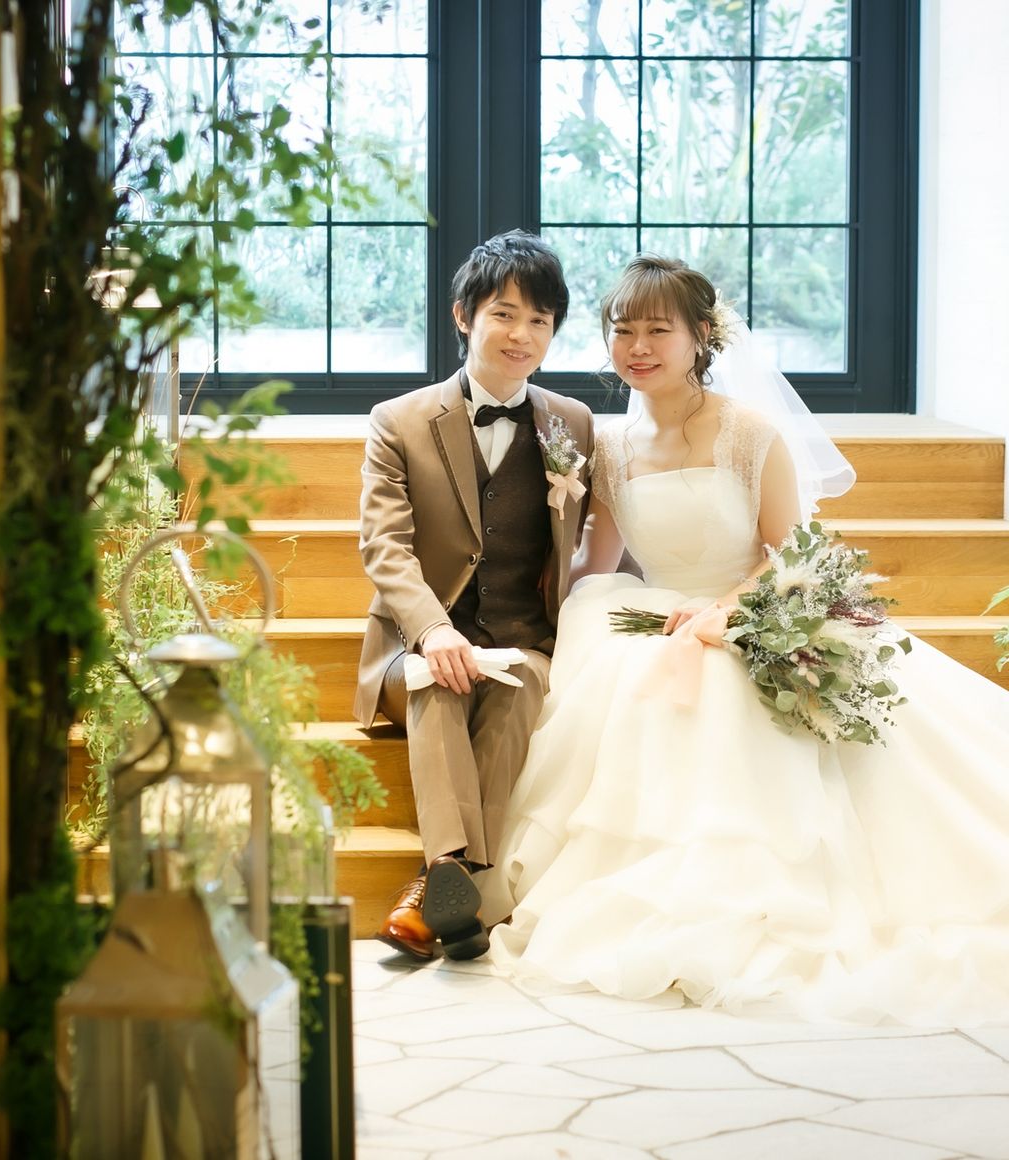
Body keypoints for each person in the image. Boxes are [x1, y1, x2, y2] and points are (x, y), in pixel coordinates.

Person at [480, 254, 1009, 1026]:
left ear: (701, 336)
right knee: (617, 664)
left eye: (658, 330)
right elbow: (598, 562)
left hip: (753, 604)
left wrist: (727, 612)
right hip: (659, 611)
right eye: (622, 330)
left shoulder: (748, 434)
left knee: (729, 690)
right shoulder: (611, 446)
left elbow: (790, 553)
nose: (637, 347)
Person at [356, 230, 595, 961]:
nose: (521, 335)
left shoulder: (573, 424)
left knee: (520, 687)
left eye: (539, 320)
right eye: (504, 314)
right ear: (464, 316)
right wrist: (433, 631)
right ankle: (458, 878)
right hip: (414, 643)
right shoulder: (398, 421)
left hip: (524, 636)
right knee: (439, 682)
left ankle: (441, 891)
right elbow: (385, 547)